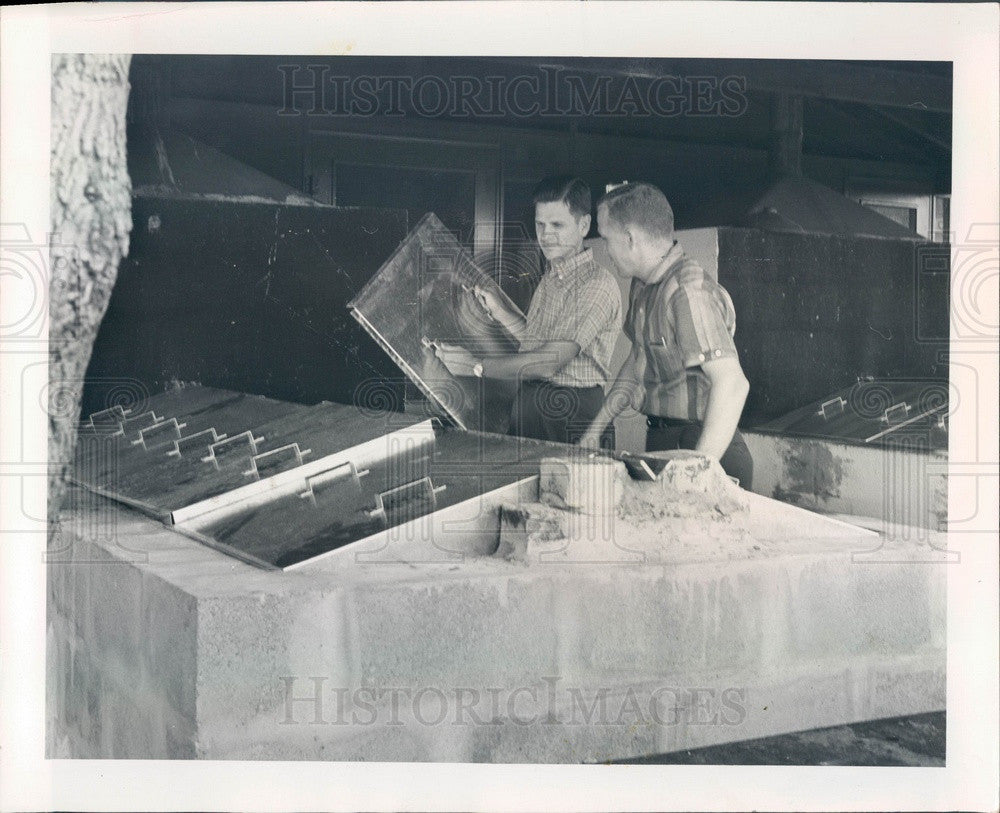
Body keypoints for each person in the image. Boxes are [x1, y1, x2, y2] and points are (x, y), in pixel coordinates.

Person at [579, 182, 753, 487]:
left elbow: (733, 383)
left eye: (606, 239)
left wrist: (697, 471)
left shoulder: (687, 291)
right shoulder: (643, 286)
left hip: (704, 444)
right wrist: (596, 428)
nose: (605, 250)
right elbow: (637, 360)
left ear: (630, 238)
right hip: (662, 439)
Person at [434, 176, 622, 446]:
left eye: (557, 225)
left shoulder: (597, 285)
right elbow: (537, 343)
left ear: (583, 225)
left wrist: (475, 366)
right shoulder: (552, 276)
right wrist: (502, 314)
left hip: (570, 414)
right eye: (540, 224)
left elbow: (549, 361)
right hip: (532, 406)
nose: (546, 235)